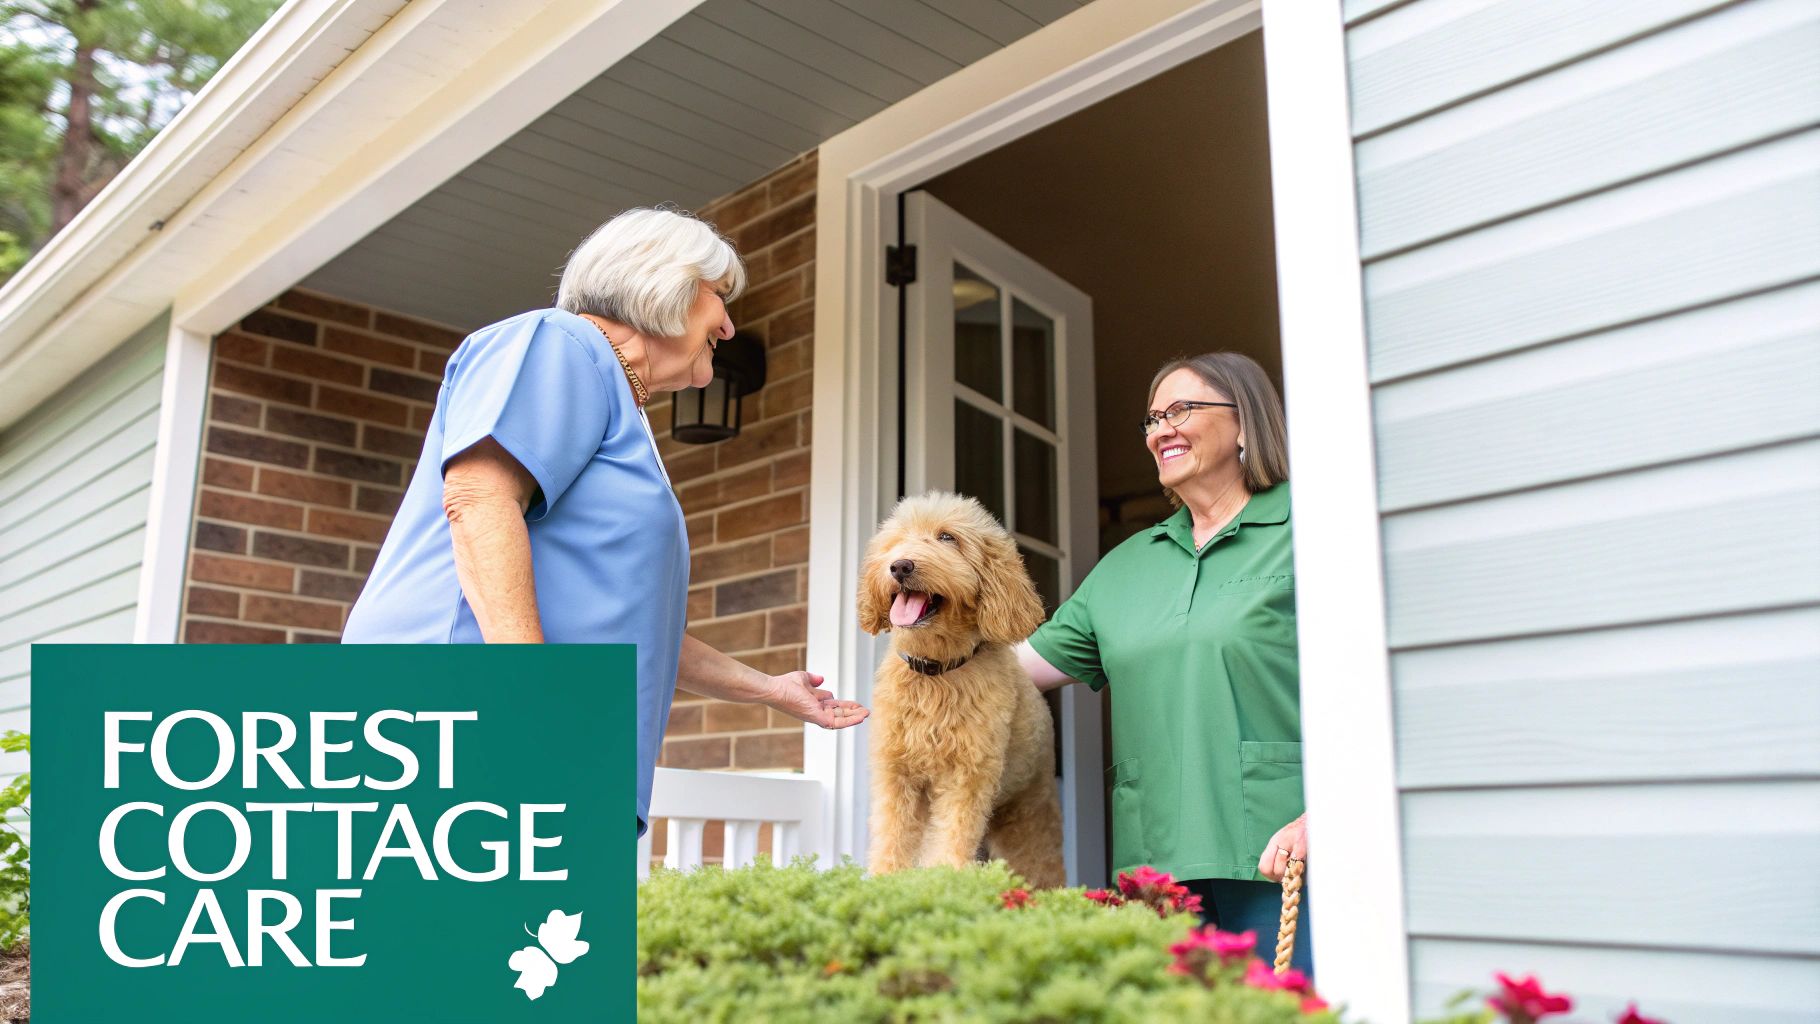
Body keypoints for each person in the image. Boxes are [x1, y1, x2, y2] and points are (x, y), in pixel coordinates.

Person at [343, 207, 868, 836]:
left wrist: (771, 691)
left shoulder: (614, 403)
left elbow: (631, 627)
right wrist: (530, 692)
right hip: (465, 713)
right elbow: (479, 497)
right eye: (720, 297)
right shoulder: (558, 342)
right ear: (660, 281)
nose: (728, 326)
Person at [1017, 352, 1311, 973]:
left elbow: (1382, 682)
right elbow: (1012, 674)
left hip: (1284, 859)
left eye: (1182, 410)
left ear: (1245, 421)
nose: (1160, 430)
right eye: (1152, 418)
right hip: (1157, 873)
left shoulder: (1310, 525)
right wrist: (912, 664)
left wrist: (1328, 814)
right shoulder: (1127, 565)